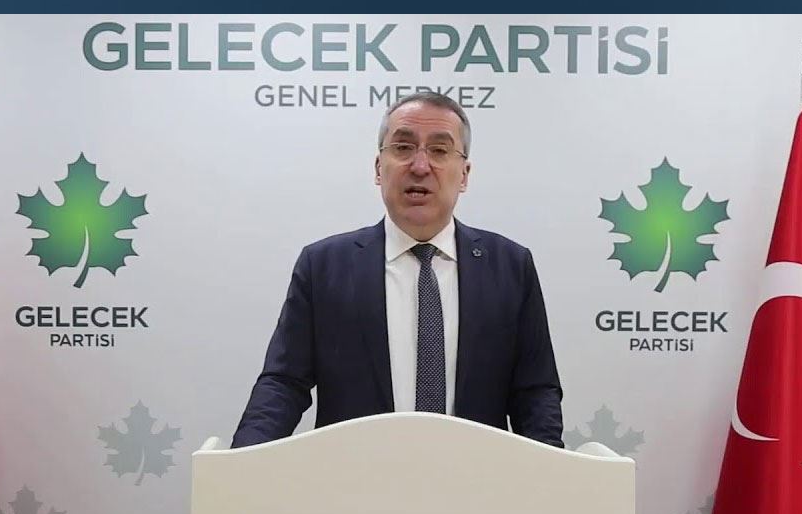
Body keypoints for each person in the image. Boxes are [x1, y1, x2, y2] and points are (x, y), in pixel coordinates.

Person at [231, 91, 564, 448]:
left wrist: (548, 471)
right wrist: (243, 460)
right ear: (379, 168)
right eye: (403, 148)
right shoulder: (324, 266)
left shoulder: (510, 267)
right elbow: (284, 383)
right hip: (356, 476)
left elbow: (535, 393)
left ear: (464, 175)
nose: (420, 166)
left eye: (439, 150)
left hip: (475, 477)